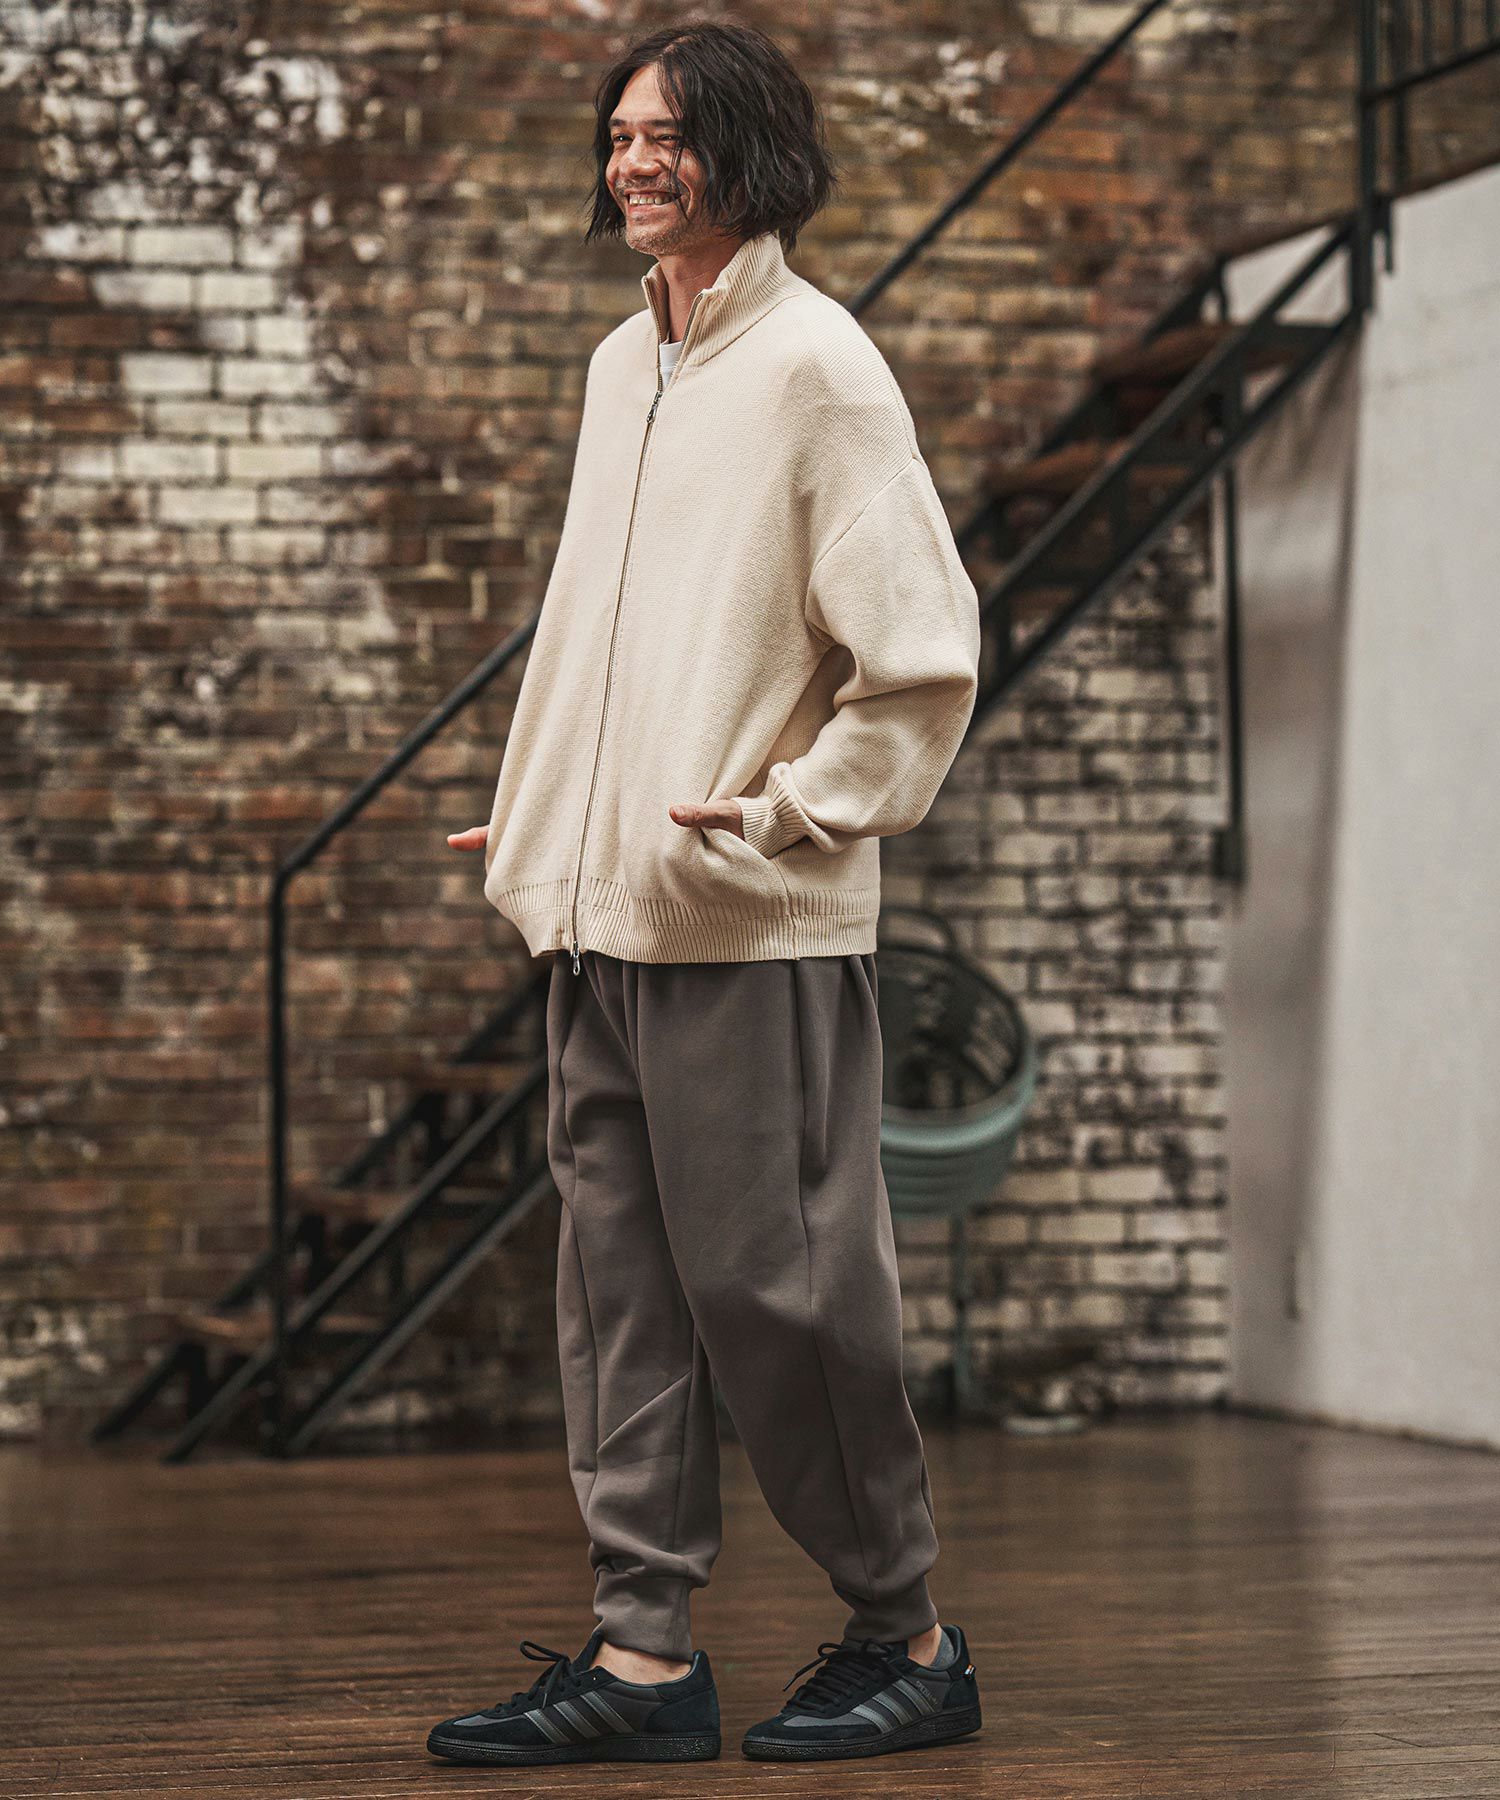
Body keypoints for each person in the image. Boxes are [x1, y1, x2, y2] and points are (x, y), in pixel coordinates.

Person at [432, 18, 983, 1768]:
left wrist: (794, 815)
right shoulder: (627, 366)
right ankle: (644, 1657)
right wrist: (549, 815)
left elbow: (921, 661)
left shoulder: (822, 368)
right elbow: (604, 628)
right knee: (620, 1300)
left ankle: (909, 1636)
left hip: (748, 924)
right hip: (605, 920)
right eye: (619, 134)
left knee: (786, 1295)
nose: (632, 160)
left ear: (750, 152)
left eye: (666, 133)